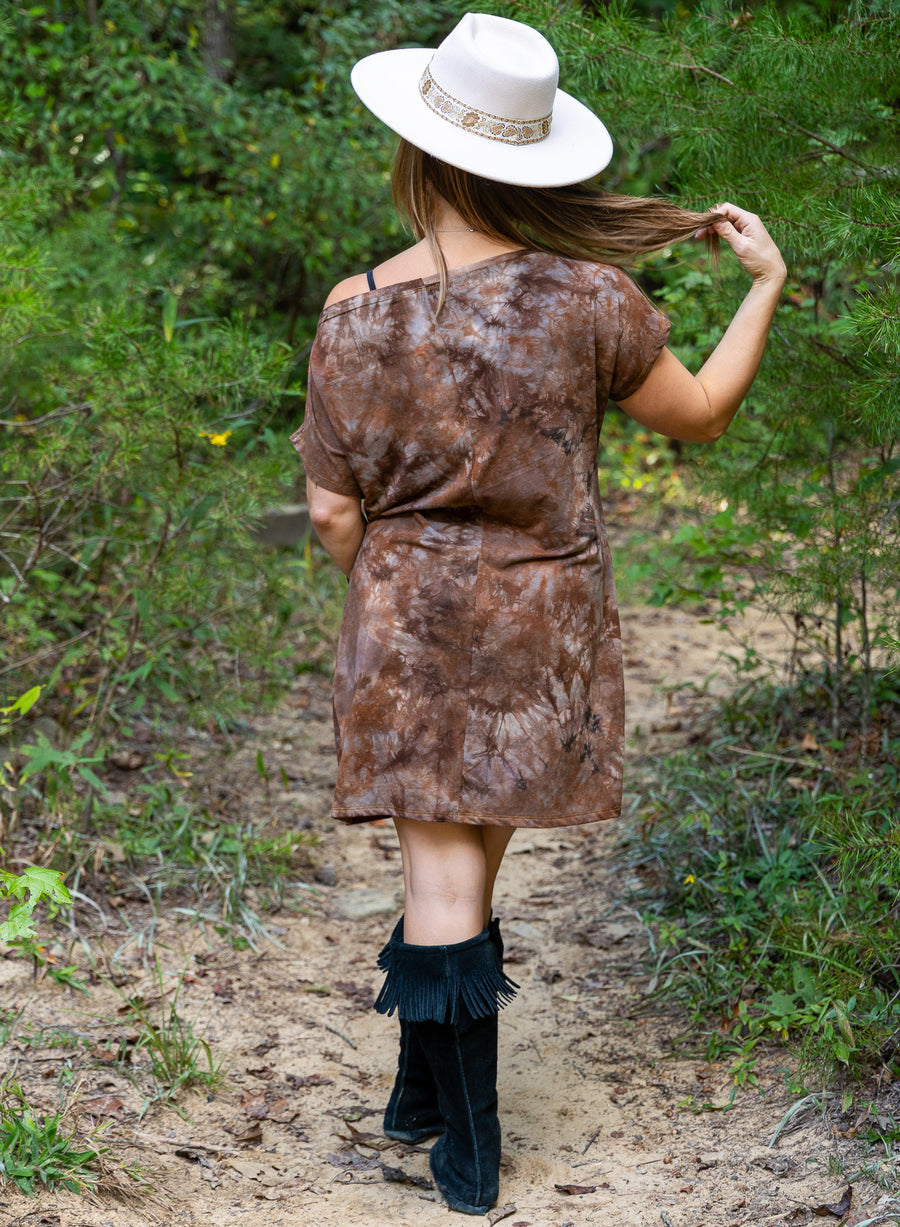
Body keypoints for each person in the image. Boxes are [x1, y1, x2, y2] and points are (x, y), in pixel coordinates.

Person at [291, 11, 786, 1216]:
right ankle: (423, 1104)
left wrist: (383, 591)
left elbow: (329, 515)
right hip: (542, 630)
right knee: (459, 871)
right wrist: (766, 281)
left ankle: (466, 1157)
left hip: (409, 626)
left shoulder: (356, 311)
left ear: (419, 152)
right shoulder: (592, 298)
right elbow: (706, 410)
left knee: (441, 880)